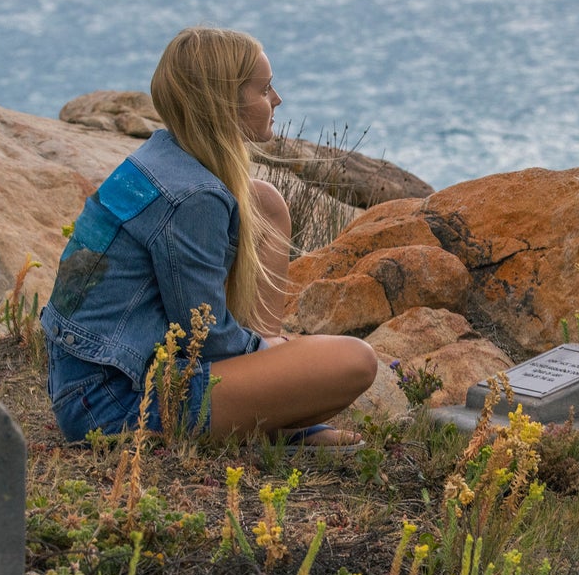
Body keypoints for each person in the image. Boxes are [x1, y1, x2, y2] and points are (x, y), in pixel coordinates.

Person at [42, 26, 377, 446]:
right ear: (223, 104)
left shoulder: (166, 155)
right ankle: (274, 426)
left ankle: (268, 415)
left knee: (264, 204)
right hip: (116, 404)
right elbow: (205, 336)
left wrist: (270, 349)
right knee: (355, 361)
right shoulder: (193, 197)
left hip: (94, 381)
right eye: (264, 89)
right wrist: (275, 353)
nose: (277, 100)